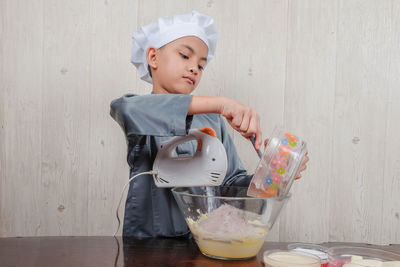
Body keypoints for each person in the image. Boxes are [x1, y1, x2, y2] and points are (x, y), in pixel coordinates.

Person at [110, 10, 308, 238]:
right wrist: (222, 103)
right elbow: (127, 108)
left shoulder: (213, 121)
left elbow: (230, 183)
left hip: (205, 243)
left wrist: (270, 176)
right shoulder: (140, 112)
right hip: (149, 246)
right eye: (185, 56)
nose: (194, 68)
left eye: (201, 65)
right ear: (153, 57)